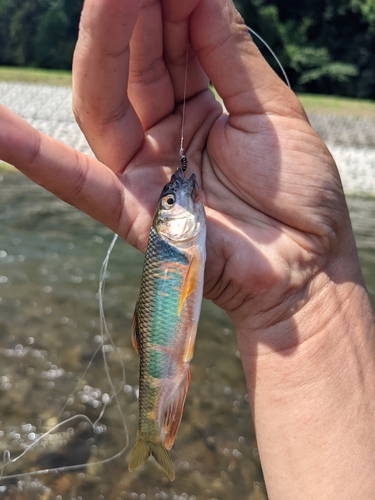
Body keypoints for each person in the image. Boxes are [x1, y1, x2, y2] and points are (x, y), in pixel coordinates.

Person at [1, 0, 375, 497]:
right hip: (169, 344)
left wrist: (309, 281)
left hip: (179, 319)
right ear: (169, 222)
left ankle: (151, 434)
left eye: (172, 198)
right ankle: (150, 433)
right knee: (167, 376)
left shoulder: (179, 241)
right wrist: (303, 294)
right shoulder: (181, 242)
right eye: (175, 199)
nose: (185, 193)